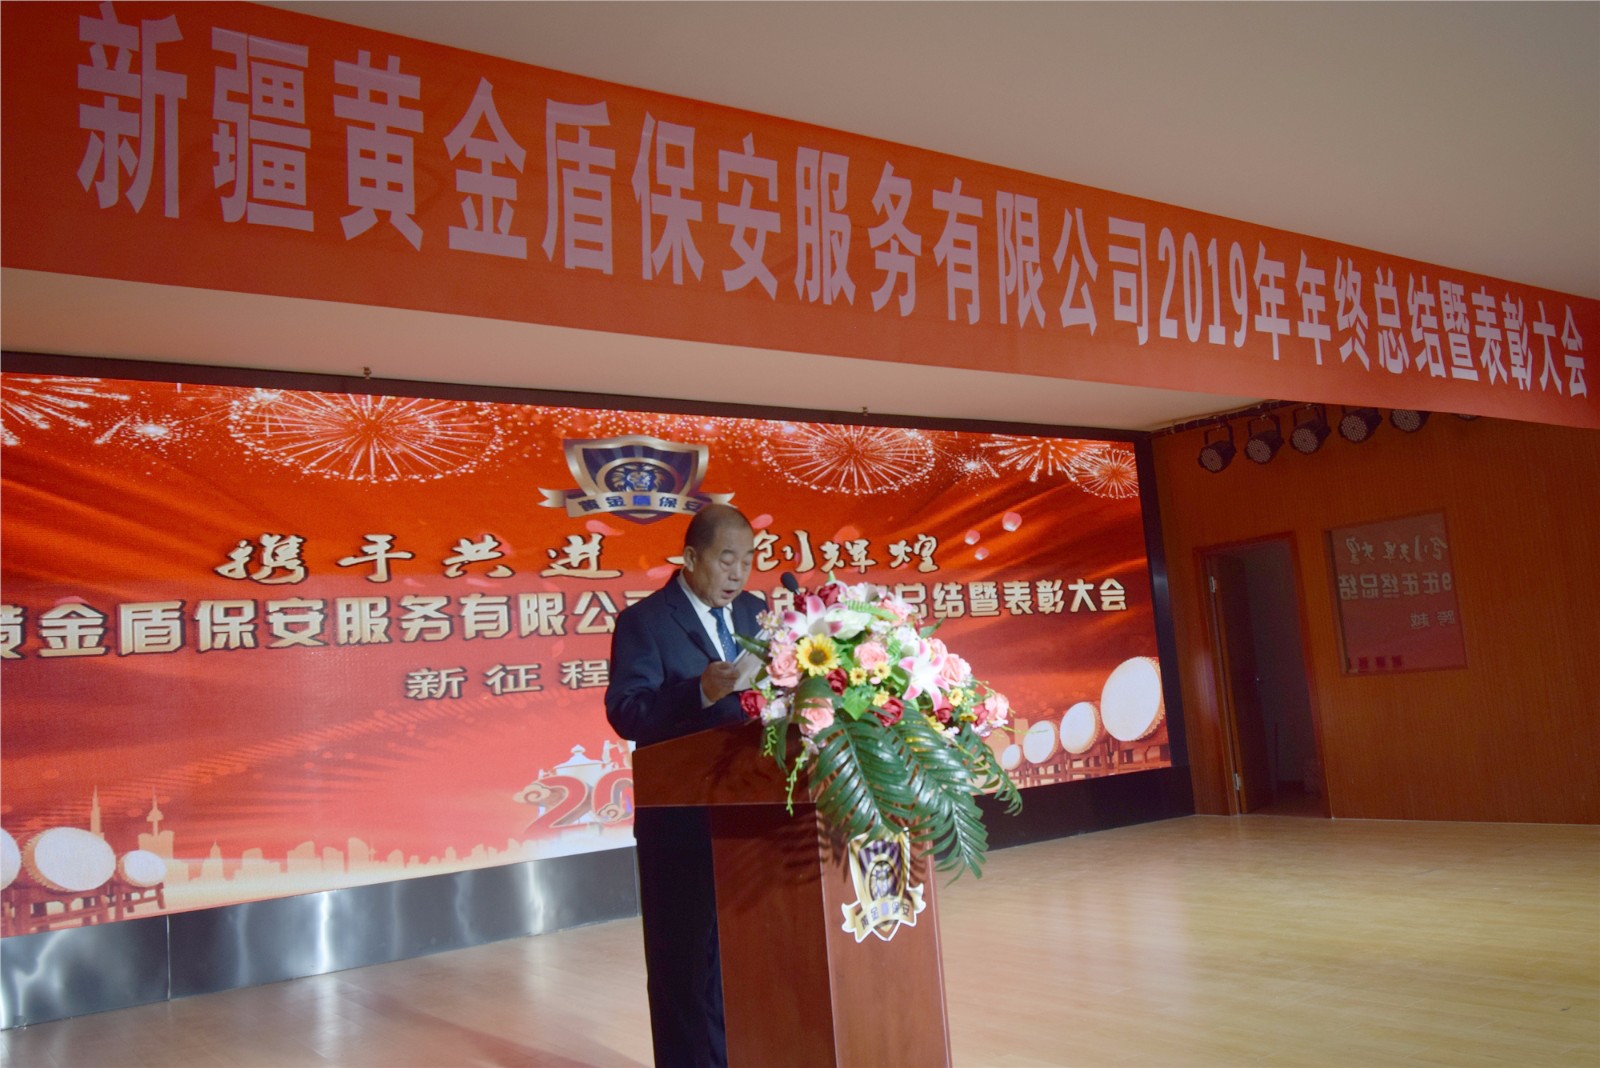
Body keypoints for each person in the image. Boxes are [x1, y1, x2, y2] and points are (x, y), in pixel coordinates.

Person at [605, 503, 762, 1068]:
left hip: (753, 813)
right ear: (692, 558)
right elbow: (627, 711)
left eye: (747, 560)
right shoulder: (645, 622)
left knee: (744, 959)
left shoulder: (757, 613)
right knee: (685, 967)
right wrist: (700, 691)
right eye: (726, 559)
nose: (738, 573)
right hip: (681, 823)